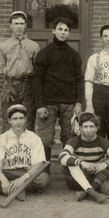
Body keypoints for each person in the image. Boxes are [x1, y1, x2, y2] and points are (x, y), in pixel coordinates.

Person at [32, 16, 84, 162]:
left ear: (69, 33)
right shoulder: (44, 53)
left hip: (69, 103)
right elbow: (37, 79)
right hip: (48, 103)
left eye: (66, 30)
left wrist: (78, 103)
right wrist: (40, 104)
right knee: (45, 138)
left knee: (69, 137)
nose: (63, 32)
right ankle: (44, 170)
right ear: (53, 31)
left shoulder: (74, 55)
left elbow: (79, 79)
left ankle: (69, 170)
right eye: (60, 29)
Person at [0, 104, 50, 200]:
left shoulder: (34, 138)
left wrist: (22, 179)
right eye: (15, 119)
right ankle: (17, 190)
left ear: (26, 120)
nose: (18, 122)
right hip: (6, 172)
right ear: (9, 121)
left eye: (21, 118)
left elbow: (39, 163)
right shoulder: (2, 138)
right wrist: (3, 180)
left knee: (44, 179)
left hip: (26, 173)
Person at [58, 112, 109, 204]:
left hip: (96, 174)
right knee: (70, 163)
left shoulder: (102, 141)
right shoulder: (74, 141)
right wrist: (83, 163)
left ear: (97, 128)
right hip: (79, 177)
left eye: (91, 126)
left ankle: (89, 191)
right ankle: (93, 190)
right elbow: (61, 156)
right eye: (85, 127)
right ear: (80, 128)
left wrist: (102, 165)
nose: (88, 130)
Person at [0, 11, 40, 132]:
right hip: (10, 85)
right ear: (10, 25)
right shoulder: (3, 46)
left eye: (21, 23)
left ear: (26, 25)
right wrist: (6, 86)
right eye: (16, 23)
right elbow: (0, 69)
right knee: (8, 119)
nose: (19, 26)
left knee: (28, 120)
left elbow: (37, 69)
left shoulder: (34, 46)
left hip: (28, 85)